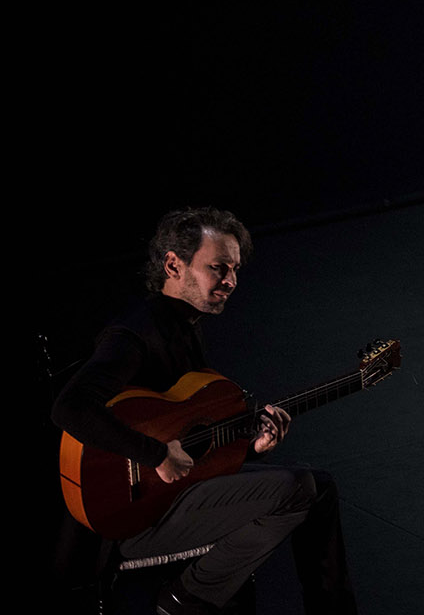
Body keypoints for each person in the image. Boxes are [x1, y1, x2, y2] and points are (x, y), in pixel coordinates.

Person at [52, 207, 356, 614]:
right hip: (129, 519)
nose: (230, 282)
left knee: (321, 487)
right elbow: (70, 408)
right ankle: (186, 598)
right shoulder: (133, 335)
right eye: (218, 268)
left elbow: (193, 443)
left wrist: (251, 447)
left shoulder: (186, 328)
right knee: (298, 485)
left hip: (178, 495)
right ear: (173, 264)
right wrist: (155, 454)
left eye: (234, 270)